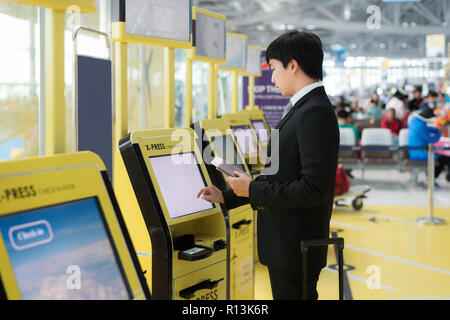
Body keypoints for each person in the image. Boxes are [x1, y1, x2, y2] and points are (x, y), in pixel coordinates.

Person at [197, 31, 339, 300]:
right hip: (289, 244)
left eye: (274, 69)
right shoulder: (303, 109)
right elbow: (284, 177)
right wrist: (227, 195)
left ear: (293, 66)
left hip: (295, 245)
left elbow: (313, 189)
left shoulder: (314, 113)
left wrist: (252, 190)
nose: (272, 78)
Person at [408, 105, 450, 184]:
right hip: (418, 153)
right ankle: (430, 178)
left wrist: (437, 130)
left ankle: (432, 177)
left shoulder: (416, 121)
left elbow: (428, 129)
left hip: (415, 150)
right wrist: (440, 133)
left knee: (443, 157)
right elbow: (430, 140)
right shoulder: (420, 125)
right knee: (442, 158)